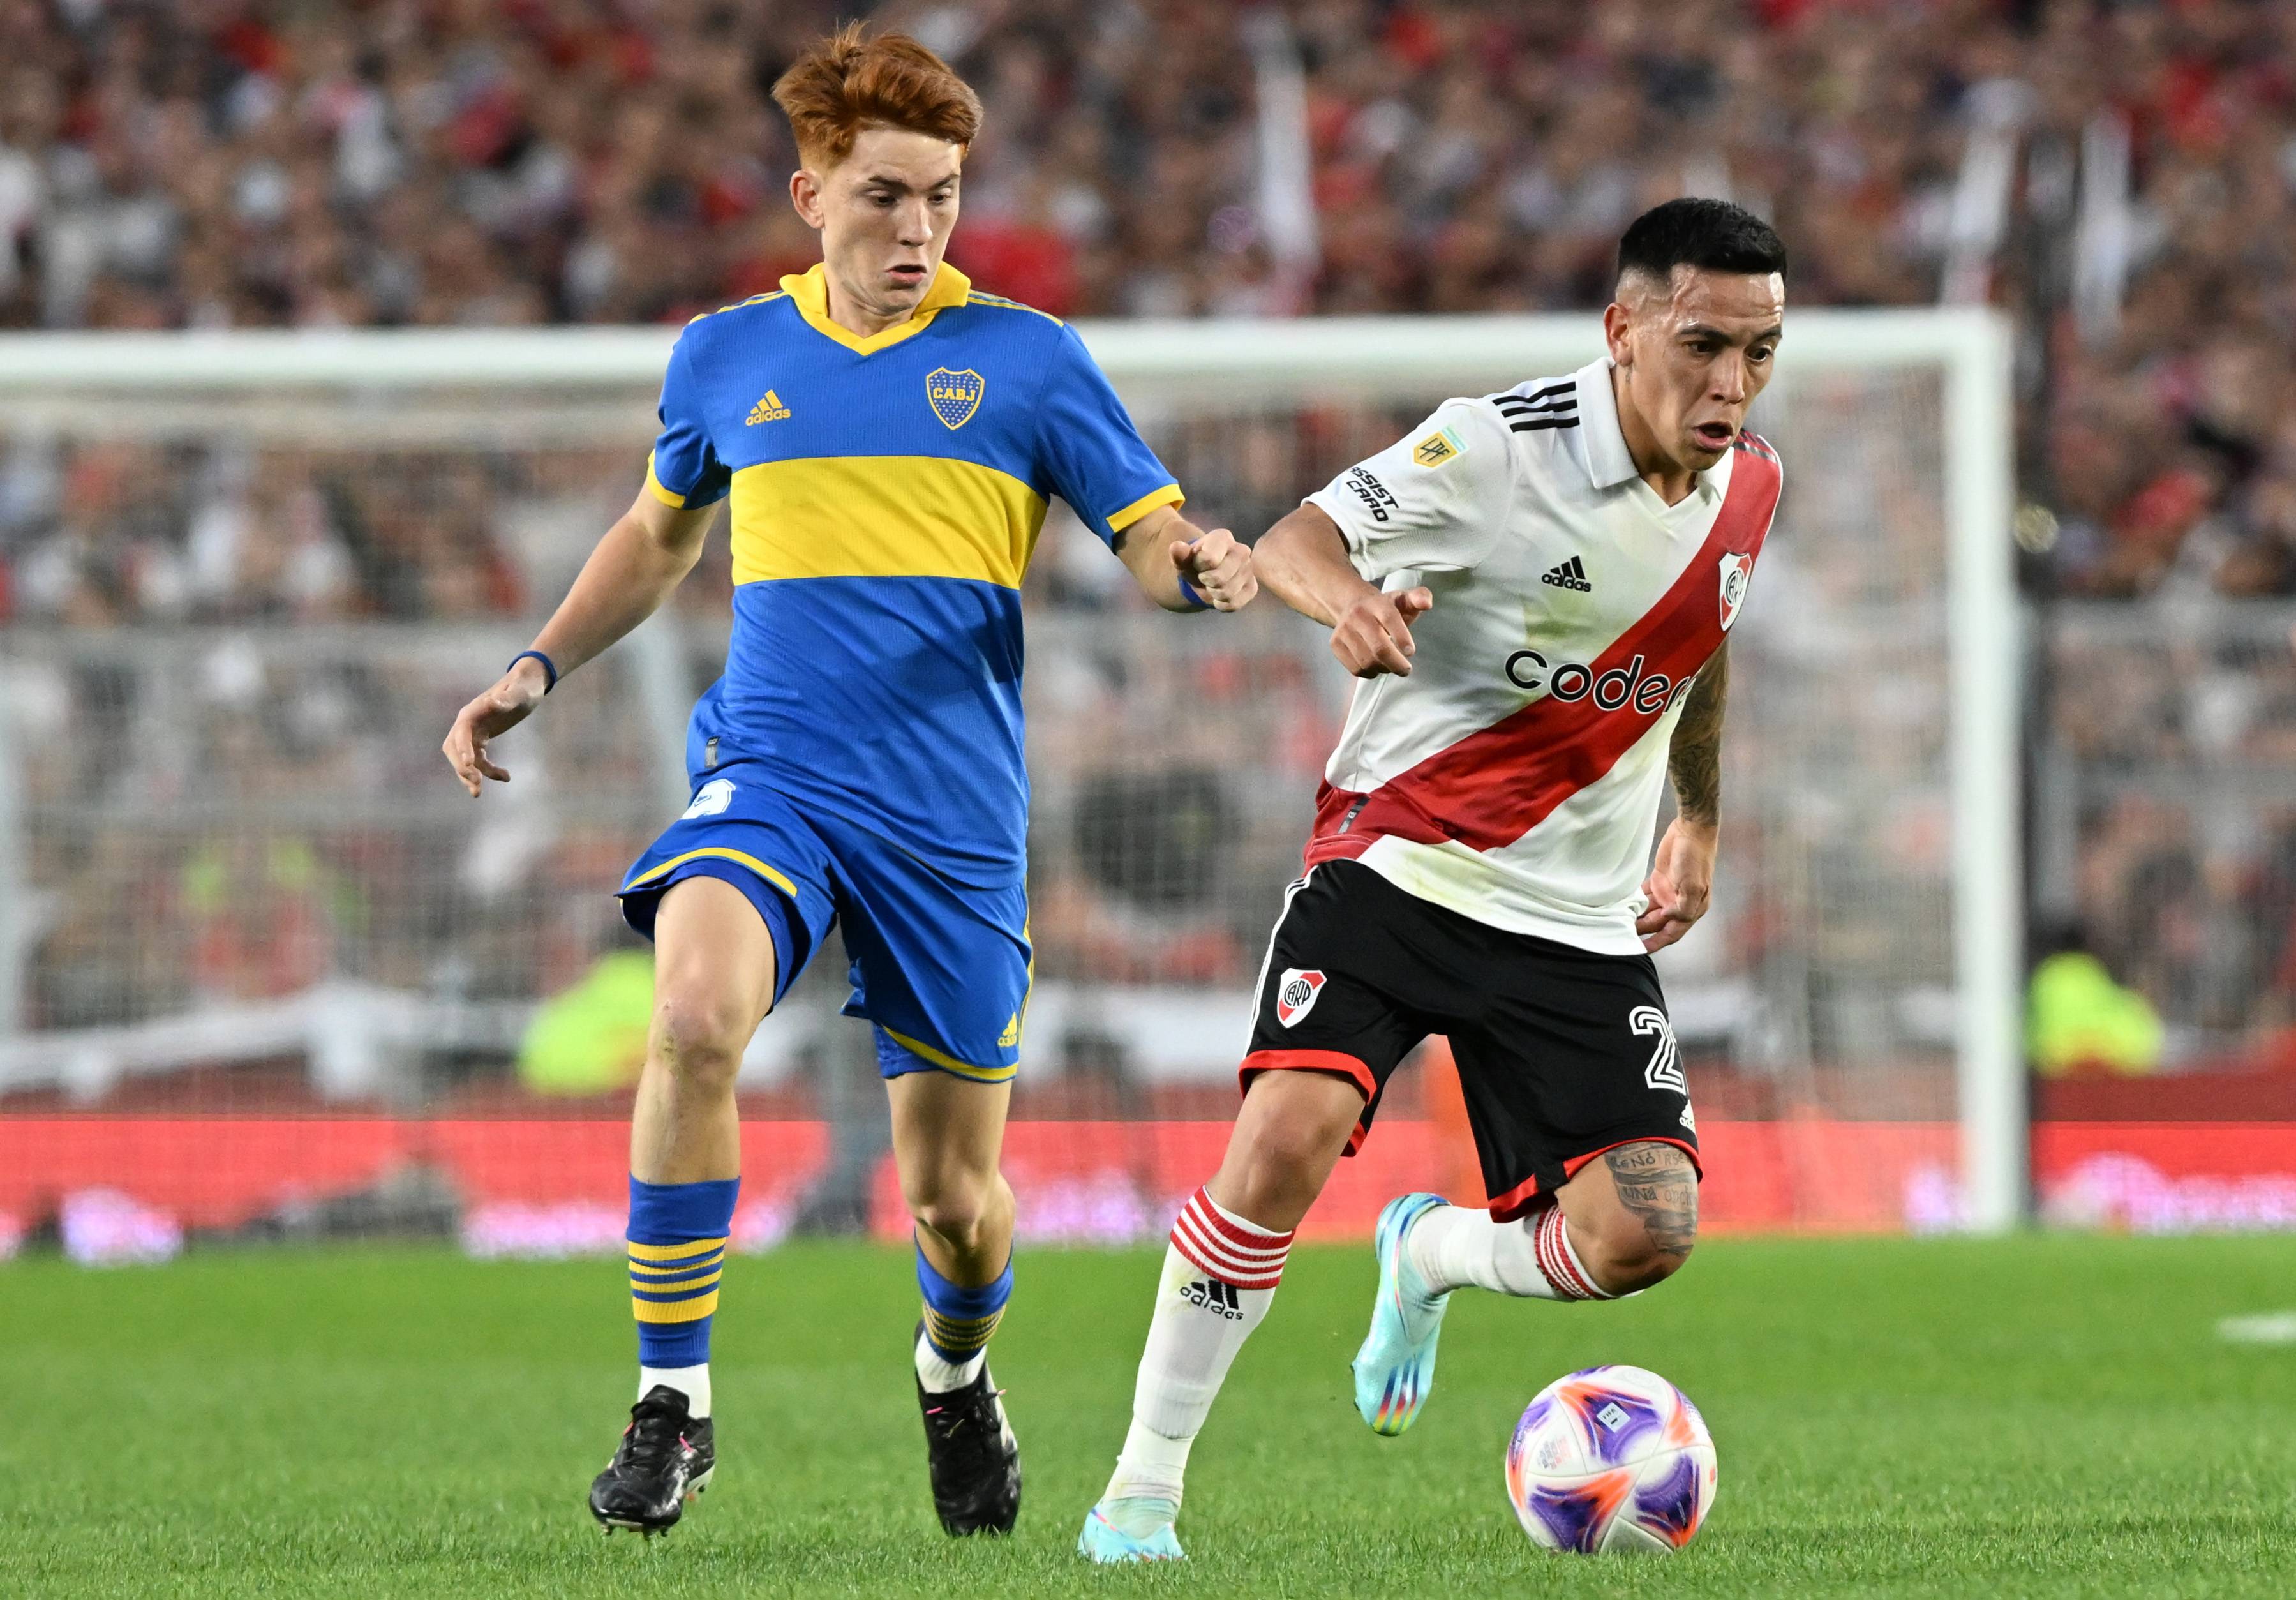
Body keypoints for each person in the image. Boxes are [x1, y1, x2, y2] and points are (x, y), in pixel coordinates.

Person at [441, 24, 1255, 1541]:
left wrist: (1194, 565)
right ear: (810, 193)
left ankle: (953, 1372)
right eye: (885, 195)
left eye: (941, 195)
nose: (918, 226)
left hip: (948, 824)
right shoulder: (726, 356)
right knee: (691, 1019)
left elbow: (1145, 533)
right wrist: (534, 667)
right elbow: (656, 539)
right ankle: (672, 1401)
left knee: (953, 1202)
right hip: (772, 776)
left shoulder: (1026, 359)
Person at [1078, 197, 1787, 1562]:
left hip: (1573, 920)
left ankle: (1430, 1254)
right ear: (1621, 329)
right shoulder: (1493, 446)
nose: (1730, 383)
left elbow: (1704, 640)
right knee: (1281, 1141)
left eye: (1759, 352)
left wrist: (1693, 824)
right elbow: (1294, 536)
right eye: (1702, 344)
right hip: (1399, 861)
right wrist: (1340, 602)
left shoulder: (1747, 482)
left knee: (1644, 1233)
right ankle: (1140, 1496)